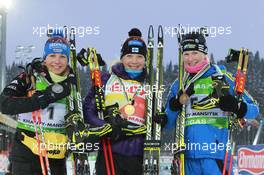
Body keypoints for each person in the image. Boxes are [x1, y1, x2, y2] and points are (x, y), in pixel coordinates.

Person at [0, 31, 110, 175]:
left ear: (67, 59)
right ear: (45, 58)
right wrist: (42, 98)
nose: (57, 61)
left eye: (62, 57)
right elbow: (4, 104)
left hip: (56, 156)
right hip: (26, 154)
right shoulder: (29, 77)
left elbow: (80, 115)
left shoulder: (73, 83)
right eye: (52, 56)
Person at [165, 31, 259, 175]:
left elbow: (254, 108)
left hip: (216, 156)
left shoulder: (221, 77)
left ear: (204, 53)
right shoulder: (179, 84)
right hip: (186, 158)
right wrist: (173, 107)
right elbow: (167, 124)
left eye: (195, 53)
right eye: (186, 54)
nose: (190, 58)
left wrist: (237, 106)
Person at [83, 28, 148, 175]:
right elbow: (88, 111)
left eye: (139, 56)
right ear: (122, 57)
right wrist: (108, 127)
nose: (134, 61)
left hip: (138, 155)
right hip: (109, 152)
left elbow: (156, 118)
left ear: (145, 59)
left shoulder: (150, 83)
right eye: (129, 56)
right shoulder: (107, 79)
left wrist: (160, 119)